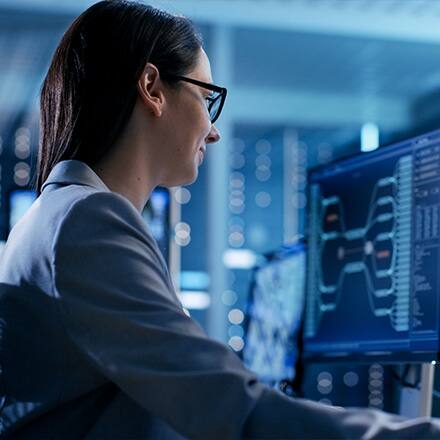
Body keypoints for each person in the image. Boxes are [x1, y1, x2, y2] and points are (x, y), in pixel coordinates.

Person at [0, 1, 440, 438]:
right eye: (207, 99)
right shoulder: (87, 220)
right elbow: (231, 410)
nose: (214, 131)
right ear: (152, 87)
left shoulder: (56, 217)